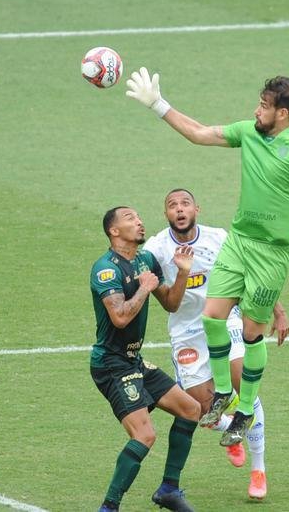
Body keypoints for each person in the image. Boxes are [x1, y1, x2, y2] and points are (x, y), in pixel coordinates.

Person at [126, 70, 289, 447]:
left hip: (271, 253)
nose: (256, 111)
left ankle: (244, 410)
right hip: (239, 241)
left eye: (263, 106)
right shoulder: (249, 132)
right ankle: (224, 394)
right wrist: (158, 105)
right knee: (213, 316)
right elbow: (199, 133)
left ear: (283, 113)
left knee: (250, 333)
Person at [143, 188, 289, 501]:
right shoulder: (155, 249)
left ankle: (259, 468)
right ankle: (230, 430)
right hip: (186, 332)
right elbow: (169, 304)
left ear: (197, 208)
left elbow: (253, 273)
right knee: (200, 408)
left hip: (226, 320)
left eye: (185, 204)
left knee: (241, 382)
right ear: (166, 214)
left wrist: (277, 311)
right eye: (172, 206)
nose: (180, 210)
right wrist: (182, 272)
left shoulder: (219, 238)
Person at [90, 205, 202, 512]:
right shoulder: (106, 270)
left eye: (138, 217)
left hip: (133, 361)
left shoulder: (145, 259)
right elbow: (120, 318)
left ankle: (169, 490)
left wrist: (182, 273)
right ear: (114, 231)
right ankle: (109, 507)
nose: (139, 222)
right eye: (130, 219)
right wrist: (143, 289)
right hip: (111, 365)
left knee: (191, 409)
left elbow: (171, 303)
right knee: (145, 434)